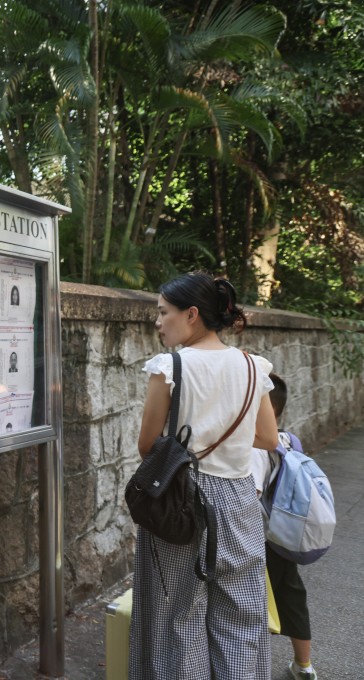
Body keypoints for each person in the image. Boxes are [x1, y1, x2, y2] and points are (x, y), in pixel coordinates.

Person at [129, 271, 278, 679]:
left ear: (191, 314)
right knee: (241, 616)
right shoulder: (253, 366)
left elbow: (148, 448)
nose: (158, 322)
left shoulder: (170, 366)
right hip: (239, 501)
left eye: (163, 312)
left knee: (175, 616)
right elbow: (267, 438)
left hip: (181, 502)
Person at [250, 374, 318, 680]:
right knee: (291, 596)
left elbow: (251, 497)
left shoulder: (254, 446)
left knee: (252, 602)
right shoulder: (290, 440)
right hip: (286, 534)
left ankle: (246, 666)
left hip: (259, 537)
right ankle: (303, 665)